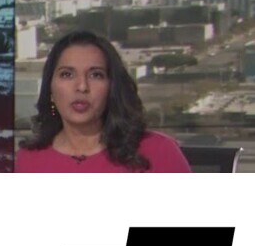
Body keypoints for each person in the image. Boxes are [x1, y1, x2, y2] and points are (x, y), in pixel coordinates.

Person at [16, 30, 191, 173]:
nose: (82, 86)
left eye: (96, 75)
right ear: (50, 88)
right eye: (67, 74)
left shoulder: (159, 152)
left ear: (112, 87)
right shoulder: (28, 160)